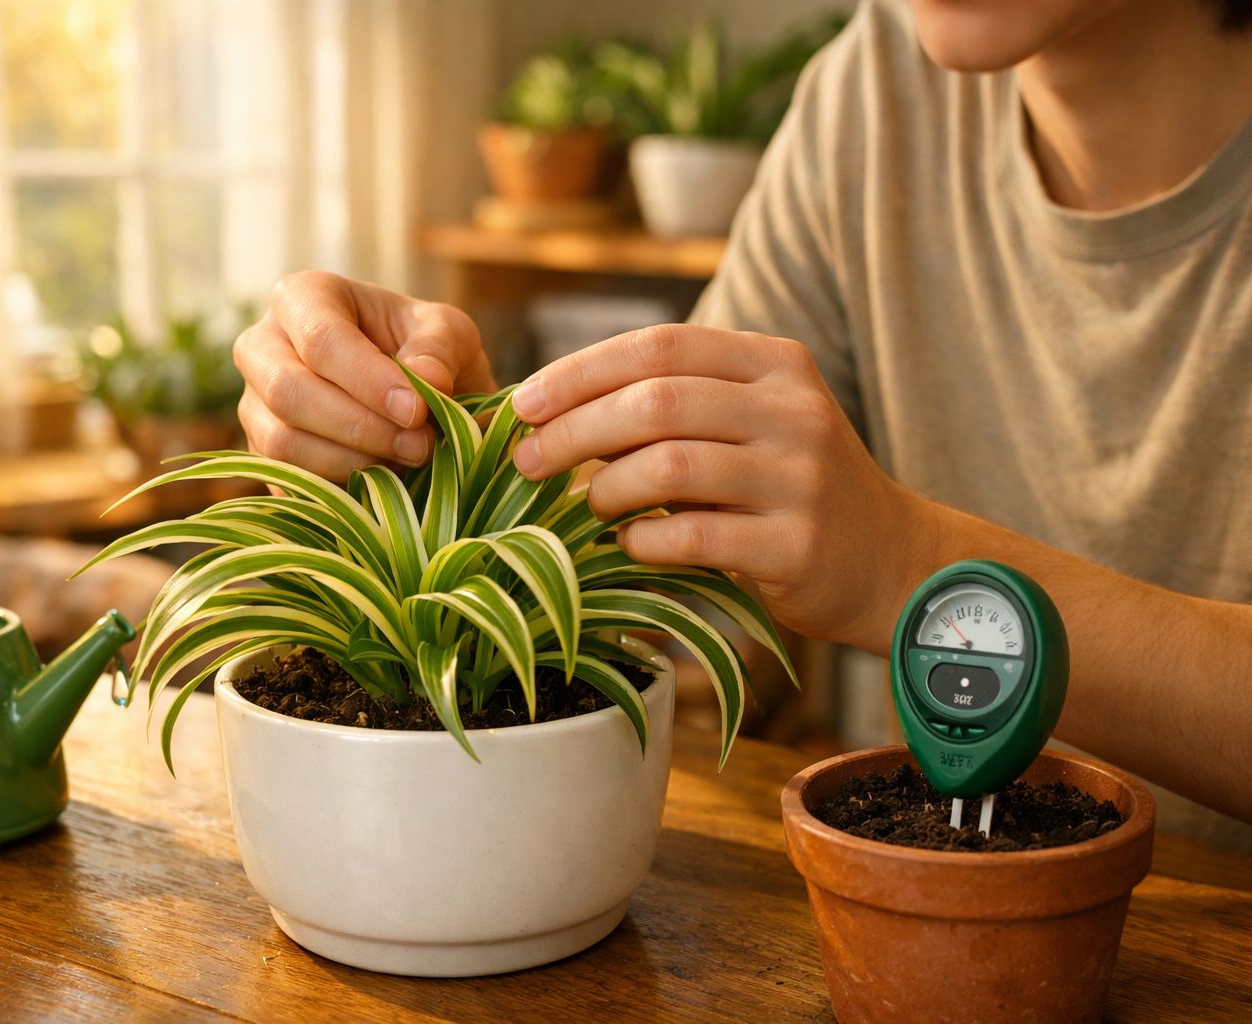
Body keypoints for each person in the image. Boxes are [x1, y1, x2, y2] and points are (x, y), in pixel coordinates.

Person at [232, 0, 1252, 837]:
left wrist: (904, 564)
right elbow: (688, 518)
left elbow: (851, 550)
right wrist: (458, 449)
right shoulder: (877, 87)